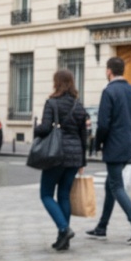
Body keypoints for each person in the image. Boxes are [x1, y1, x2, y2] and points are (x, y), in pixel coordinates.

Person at [86, 56, 131, 245]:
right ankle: (102, 227)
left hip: (114, 145)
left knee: (116, 186)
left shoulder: (109, 91)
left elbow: (103, 124)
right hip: (129, 145)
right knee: (110, 185)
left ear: (109, 71)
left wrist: (97, 144)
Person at [34, 69, 87, 251]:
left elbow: (45, 128)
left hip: (56, 154)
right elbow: (83, 135)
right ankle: (63, 239)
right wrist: (82, 162)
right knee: (64, 194)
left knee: (46, 194)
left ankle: (64, 229)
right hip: (74, 155)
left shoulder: (52, 103)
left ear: (57, 82)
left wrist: (36, 129)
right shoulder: (78, 105)